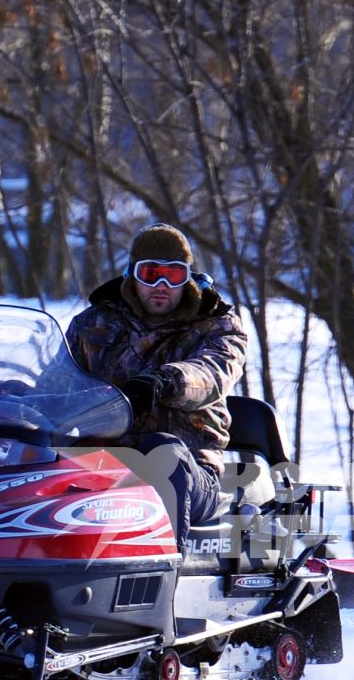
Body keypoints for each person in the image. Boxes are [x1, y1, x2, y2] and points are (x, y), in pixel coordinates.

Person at [66, 223, 249, 536]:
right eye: (150, 274)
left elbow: (213, 372)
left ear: (188, 277)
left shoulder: (218, 326)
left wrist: (167, 380)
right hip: (105, 458)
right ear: (132, 275)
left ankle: (165, 575)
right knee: (46, 454)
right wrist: (15, 398)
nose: (162, 285)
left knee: (163, 452)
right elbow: (60, 382)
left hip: (191, 469)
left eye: (174, 275)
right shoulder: (93, 324)